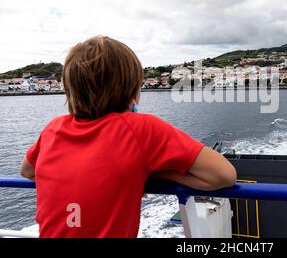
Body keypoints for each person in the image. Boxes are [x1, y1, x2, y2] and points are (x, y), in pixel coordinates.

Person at [19, 36, 237, 238]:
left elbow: (27, 171)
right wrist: (157, 173)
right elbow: (223, 175)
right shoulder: (141, 129)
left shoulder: (52, 129)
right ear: (130, 88)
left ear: (71, 88)